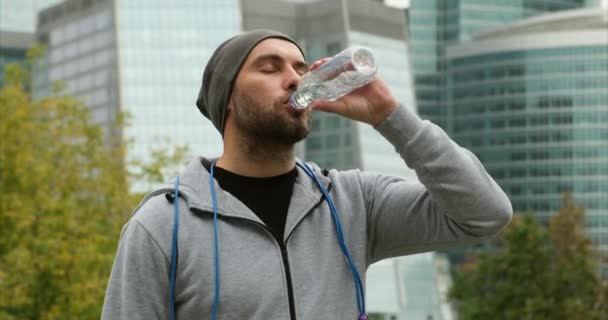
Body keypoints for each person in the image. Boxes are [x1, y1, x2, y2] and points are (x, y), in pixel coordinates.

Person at [101, 29, 512, 320]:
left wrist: (391, 116)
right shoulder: (164, 224)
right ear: (227, 99)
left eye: (300, 67)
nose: (296, 78)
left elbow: (484, 214)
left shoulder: (353, 201)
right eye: (269, 67)